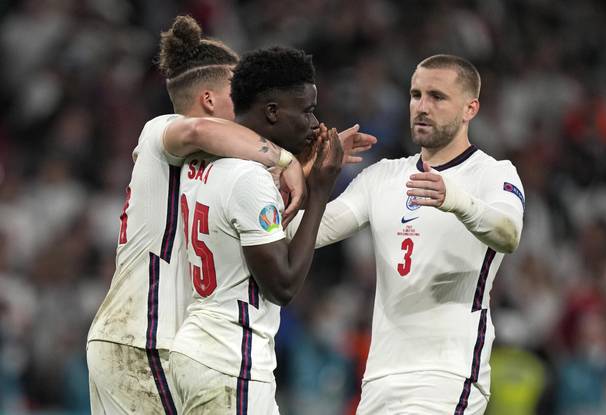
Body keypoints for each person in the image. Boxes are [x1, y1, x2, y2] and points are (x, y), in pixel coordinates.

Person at [86, 16, 310, 415]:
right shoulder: (163, 131)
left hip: (145, 340)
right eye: (236, 94)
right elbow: (196, 133)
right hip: (146, 338)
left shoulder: (217, 168)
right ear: (208, 100)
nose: (244, 105)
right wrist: (283, 157)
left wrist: (304, 171)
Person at [287, 54, 525, 414]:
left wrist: (456, 199)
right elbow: (300, 233)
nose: (422, 107)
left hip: (446, 375)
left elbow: (508, 233)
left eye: (437, 97)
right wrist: (299, 173)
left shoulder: (492, 174)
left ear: (470, 108)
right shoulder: (382, 177)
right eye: (416, 95)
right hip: (379, 380)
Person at [168, 46, 344, 414]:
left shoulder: (202, 162)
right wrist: (319, 193)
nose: (315, 124)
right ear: (273, 111)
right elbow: (283, 285)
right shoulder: (251, 179)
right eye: (308, 111)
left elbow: (253, 239)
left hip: (200, 348)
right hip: (231, 358)